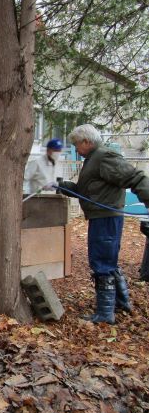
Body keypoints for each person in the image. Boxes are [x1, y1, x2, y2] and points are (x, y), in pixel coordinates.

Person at [49, 124, 149, 324]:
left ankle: (105, 314)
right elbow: (86, 191)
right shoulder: (92, 159)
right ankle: (122, 303)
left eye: (77, 144)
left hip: (106, 218)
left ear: (87, 142)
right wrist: (60, 185)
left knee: (101, 262)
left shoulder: (104, 157)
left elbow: (134, 177)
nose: (76, 149)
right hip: (102, 217)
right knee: (108, 260)